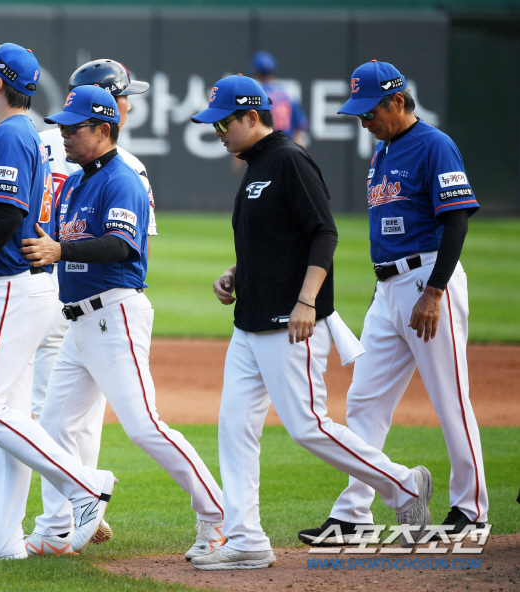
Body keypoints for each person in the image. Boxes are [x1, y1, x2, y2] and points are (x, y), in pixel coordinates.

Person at [189, 74, 433, 570]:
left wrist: (306, 301)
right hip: (250, 323)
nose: (217, 131)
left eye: (223, 122)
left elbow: (324, 234)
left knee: (308, 426)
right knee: (234, 427)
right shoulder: (258, 165)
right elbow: (276, 238)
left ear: (251, 118)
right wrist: (236, 273)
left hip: (290, 322)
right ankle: (247, 539)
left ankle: (403, 485)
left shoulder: (289, 161)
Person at [19, 84, 225, 560]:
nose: (64, 135)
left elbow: (122, 245)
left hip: (114, 315)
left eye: (74, 128)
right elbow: (48, 242)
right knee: (51, 429)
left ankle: (219, 518)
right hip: (80, 325)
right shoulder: (74, 182)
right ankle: (55, 529)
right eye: (62, 127)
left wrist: (60, 249)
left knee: (145, 427)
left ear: (103, 129)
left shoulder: (122, 179)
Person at [298, 60, 488, 546]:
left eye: (369, 111)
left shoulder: (435, 145)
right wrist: (385, 289)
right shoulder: (382, 150)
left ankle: (470, 509)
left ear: (397, 102)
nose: (363, 121)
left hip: (428, 283)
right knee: (364, 398)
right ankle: (354, 511)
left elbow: (457, 222)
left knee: (449, 399)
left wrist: (434, 290)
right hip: (388, 291)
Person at [0, 44, 116, 560]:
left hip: (9, 288)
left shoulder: (13, 134)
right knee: (8, 415)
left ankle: (84, 483)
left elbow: (7, 219)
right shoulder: (18, 135)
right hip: (17, 287)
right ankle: (2, 539)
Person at [30, 59, 158, 547]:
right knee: (80, 414)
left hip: (37, 280)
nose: (129, 105)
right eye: (124, 95)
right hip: (90, 286)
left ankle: (68, 515)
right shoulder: (127, 165)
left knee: (54, 412)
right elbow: (136, 244)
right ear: (104, 100)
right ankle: (79, 506)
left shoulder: (38, 142)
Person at [250, 50, 308, 147]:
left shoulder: (257, 95)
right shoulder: (288, 94)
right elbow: (298, 132)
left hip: (264, 152)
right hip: (286, 151)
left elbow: (248, 133)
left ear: (256, 72)